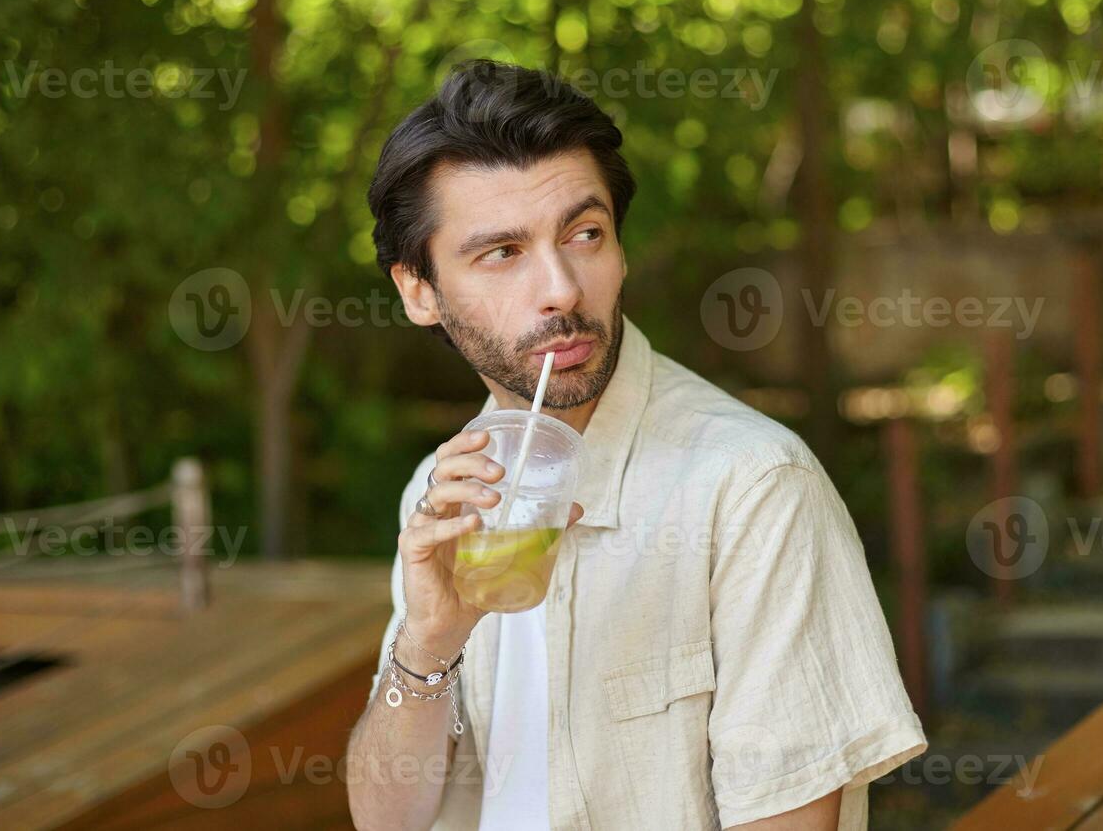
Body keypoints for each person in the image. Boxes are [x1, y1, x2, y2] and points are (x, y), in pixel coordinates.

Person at [346, 60, 926, 830]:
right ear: (419, 291)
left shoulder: (751, 489)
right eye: (501, 253)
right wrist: (426, 645)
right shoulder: (444, 487)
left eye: (584, 234)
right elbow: (386, 818)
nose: (560, 287)